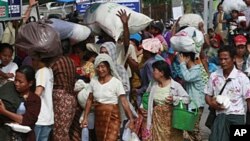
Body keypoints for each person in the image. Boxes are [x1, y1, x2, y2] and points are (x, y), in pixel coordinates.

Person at [81, 54, 134, 141]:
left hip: (113, 117)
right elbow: (89, 100)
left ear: (109, 67)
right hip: (99, 117)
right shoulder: (94, 81)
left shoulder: (116, 83)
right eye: (98, 67)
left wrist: (131, 119)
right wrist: (85, 118)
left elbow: (124, 101)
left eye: (103, 67)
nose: (100, 70)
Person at [204, 46, 250, 141]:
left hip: (237, 118)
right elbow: (208, 95)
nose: (223, 62)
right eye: (221, 59)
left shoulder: (242, 78)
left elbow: (248, 99)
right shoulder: (214, 76)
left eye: (226, 59)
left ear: (233, 59)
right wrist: (212, 104)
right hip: (220, 117)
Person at [140, 60, 189, 141]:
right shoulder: (153, 84)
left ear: (161, 73)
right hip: (157, 121)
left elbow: (187, 99)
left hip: (171, 122)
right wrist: (143, 108)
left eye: (154, 70)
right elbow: (146, 97)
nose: (153, 73)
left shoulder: (175, 86)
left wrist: (175, 99)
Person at [0, 65, 41, 141]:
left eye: (20, 82)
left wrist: (4, 112)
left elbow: (27, 120)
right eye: (15, 80)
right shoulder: (8, 87)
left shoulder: (34, 99)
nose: (16, 83)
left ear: (30, 83)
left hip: (24, 137)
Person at [50, 41, 77, 141]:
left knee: (59, 133)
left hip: (60, 98)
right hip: (71, 98)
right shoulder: (72, 62)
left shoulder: (55, 61)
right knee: (64, 131)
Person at [178, 52, 205, 141]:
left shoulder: (196, 71)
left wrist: (182, 64)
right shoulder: (189, 70)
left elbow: (187, 77)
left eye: (182, 57)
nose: (180, 59)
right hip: (191, 104)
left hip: (196, 104)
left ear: (188, 57)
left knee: (194, 129)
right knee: (190, 129)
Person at [32, 56, 54, 141]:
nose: (32, 62)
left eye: (33, 59)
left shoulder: (41, 72)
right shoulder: (49, 70)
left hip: (40, 116)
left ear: (39, 60)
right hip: (48, 117)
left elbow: (38, 92)